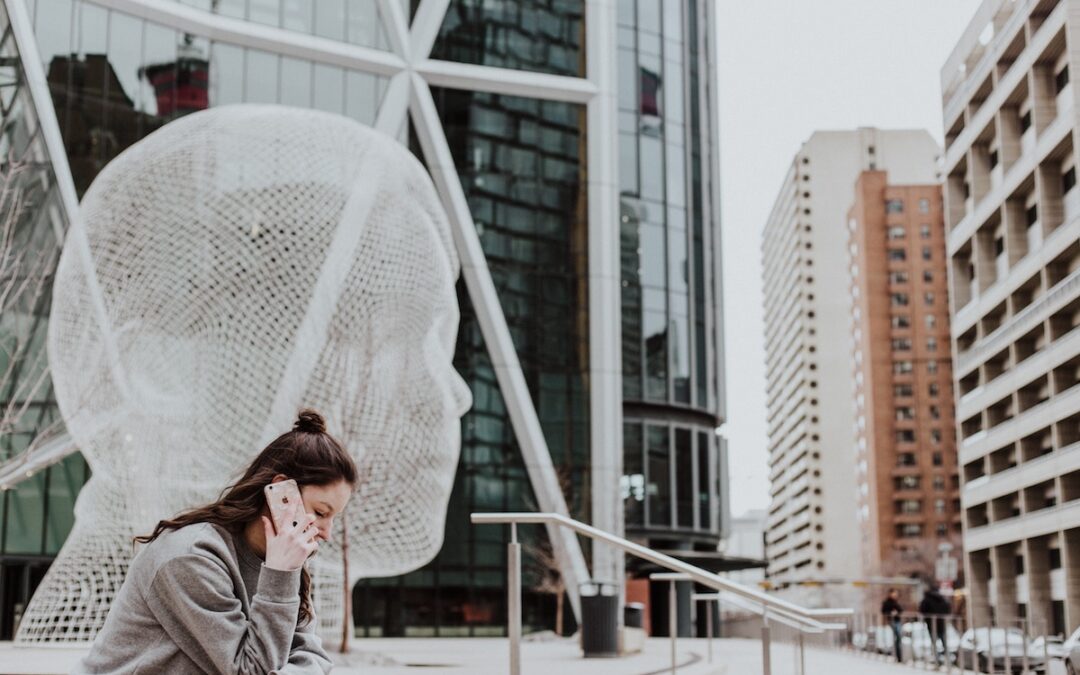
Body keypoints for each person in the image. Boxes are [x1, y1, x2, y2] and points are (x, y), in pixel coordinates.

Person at [74, 409, 358, 674]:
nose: (326, 533)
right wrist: (280, 576)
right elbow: (252, 670)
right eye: (321, 513)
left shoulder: (281, 562)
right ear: (282, 492)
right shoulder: (190, 558)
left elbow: (314, 658)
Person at [919, 585, 952, 665]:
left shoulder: (927, 599)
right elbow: (947, 608)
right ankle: (947, 661)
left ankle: (937, 661)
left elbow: (922, 610)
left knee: (934, 643)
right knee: (944, 643)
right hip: (941, 623)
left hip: (931, 624)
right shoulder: (942, 598)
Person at [881, 588, 904, 662]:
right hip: (892, 620)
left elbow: (901, 610)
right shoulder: (887, 602)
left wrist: (897, 611)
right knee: (897, 637)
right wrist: (890, 613)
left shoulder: (896, 601)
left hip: (897, 620)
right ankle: (897, 656)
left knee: (898, 638)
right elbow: (883, 611)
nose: (895, 595)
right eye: (894, 593)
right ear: (890, 594)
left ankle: (899, 656)